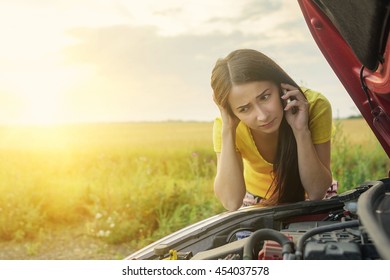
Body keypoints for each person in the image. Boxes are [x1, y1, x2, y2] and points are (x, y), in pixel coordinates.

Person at [211, 49, 334, 211]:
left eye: (264, 97)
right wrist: (228, 129)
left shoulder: (314, 106)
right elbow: (231, 202)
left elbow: (317, 192)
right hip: (256, 201)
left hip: (311, 200)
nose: (262, 116)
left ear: (279, 85)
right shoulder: (228, 125)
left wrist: (301, 130)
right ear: (231, 111)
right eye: (244, 109)